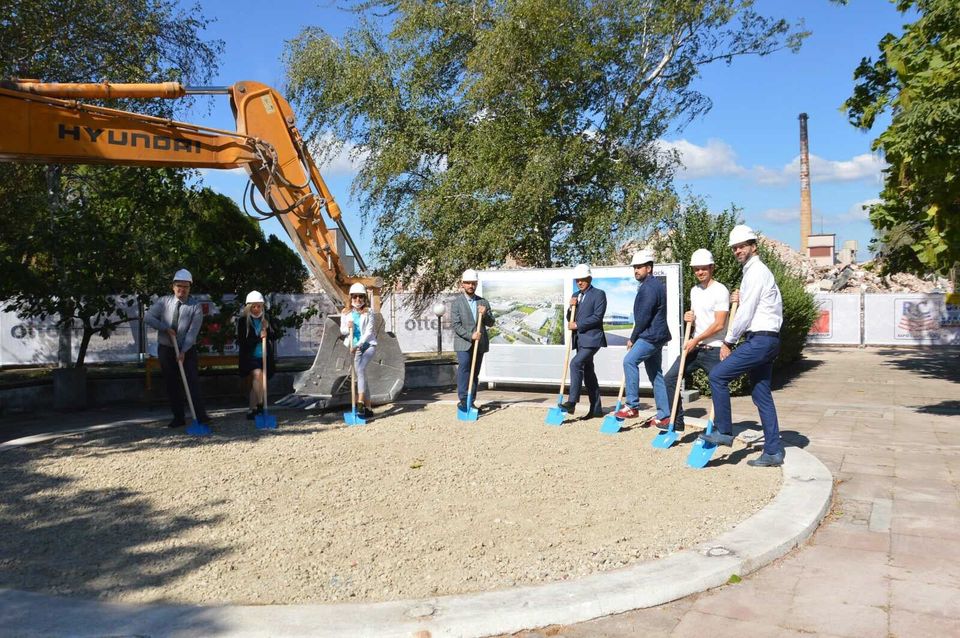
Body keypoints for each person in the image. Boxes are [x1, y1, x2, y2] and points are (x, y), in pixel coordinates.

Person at [701, 225, 786, 467]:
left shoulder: (756, 272)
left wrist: (728, 340)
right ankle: (773, 452)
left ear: (753, 247)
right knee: (761, 395)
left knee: (717, 376)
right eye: (735, 248)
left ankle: (724, 431)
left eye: (742, 246)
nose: (738, 250)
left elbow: (746, 312)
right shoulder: (754, 273)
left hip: (760, 339)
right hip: (766, 339)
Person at [659, 249, 730, 433]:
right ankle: (677, 421)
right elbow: (696, 319)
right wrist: (689, 317)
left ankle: (721, 429)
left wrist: (696, 338)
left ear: (712, 267)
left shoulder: (720, 290)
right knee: (670, 379)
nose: (699, 272)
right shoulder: (694, 291)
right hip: (695, 347)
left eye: (703, 268)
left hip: (714, 349)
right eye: (696, 269)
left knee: (718, 386)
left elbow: (719, 324)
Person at [144, 268, 209, 428]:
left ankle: (200, 416)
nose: (182, 289)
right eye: (179, 286)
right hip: (166, 348)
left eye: (186, 286)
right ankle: (178, 417)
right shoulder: (163, 302)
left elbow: (192, 332)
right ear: (173, 287)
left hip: (187, 349)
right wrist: (164, 327)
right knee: (172, 383)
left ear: (190, 287)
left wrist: (183, 351)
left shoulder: (195, 307)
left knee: (192, 381)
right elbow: (148, 317)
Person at [613, 250, 671, 425]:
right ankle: (664, 415)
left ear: (649, 267)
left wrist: (633, 337)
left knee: (629, 361)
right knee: (656, 374)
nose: (636, 270)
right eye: (635, 267)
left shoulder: (649, 288)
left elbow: (644, 316)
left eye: (639, 267)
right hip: (657, 335)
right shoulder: (655, 285)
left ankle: (632, 406)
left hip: (650, 336)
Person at [559, 264, 607, 418]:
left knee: (575, 363)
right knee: (588, 373)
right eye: (577, 280)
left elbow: (597, 317)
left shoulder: (599, 294)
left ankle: (572, 402)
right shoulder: (575, 295)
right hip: (580, 341)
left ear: (589, 278)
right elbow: (570, 318)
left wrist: (578, 325)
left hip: (593, 339)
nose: (580, 282)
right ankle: (596, 408)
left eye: (583, 279)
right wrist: (570, 308)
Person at [450, 269, 495, 412]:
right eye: (468, 283)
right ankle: (463, 400)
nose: (471, 285)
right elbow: (456, 325)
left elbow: (491, 322)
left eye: (473, 283)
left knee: (475, 372)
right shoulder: (457, 303)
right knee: (464, 368)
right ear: (462, 284)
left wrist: (485, 313)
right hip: (463, 343)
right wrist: (471, 335)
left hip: (479, 344)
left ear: (476, 284)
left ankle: (471, 400)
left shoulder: (483, 302)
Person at [236, 290, 276, 420]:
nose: (257, 309)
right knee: (258, 375)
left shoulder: (266, 318)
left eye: (259, 306)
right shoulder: (243, 321)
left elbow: (274, 336)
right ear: (249, 307)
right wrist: (260, 337)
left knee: (258, 382)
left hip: (264, 356)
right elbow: (244, 342)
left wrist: (268, 328)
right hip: (250, 357)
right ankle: (260, 404)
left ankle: (252, 409)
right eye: (254, 306)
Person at [340, 283, 378, 417]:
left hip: (368, 346)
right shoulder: (346, 313)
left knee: (361, 370)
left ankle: (360, 401)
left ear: (364, 298)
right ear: (350, 298)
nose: (357, 300)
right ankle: (368, 408)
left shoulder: (369, 312)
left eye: (360, 297)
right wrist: (348, 327)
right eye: (355, 297)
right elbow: (343, 330)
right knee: (362, 377)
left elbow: (368, 332)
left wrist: (359, 344)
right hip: (354, 348)